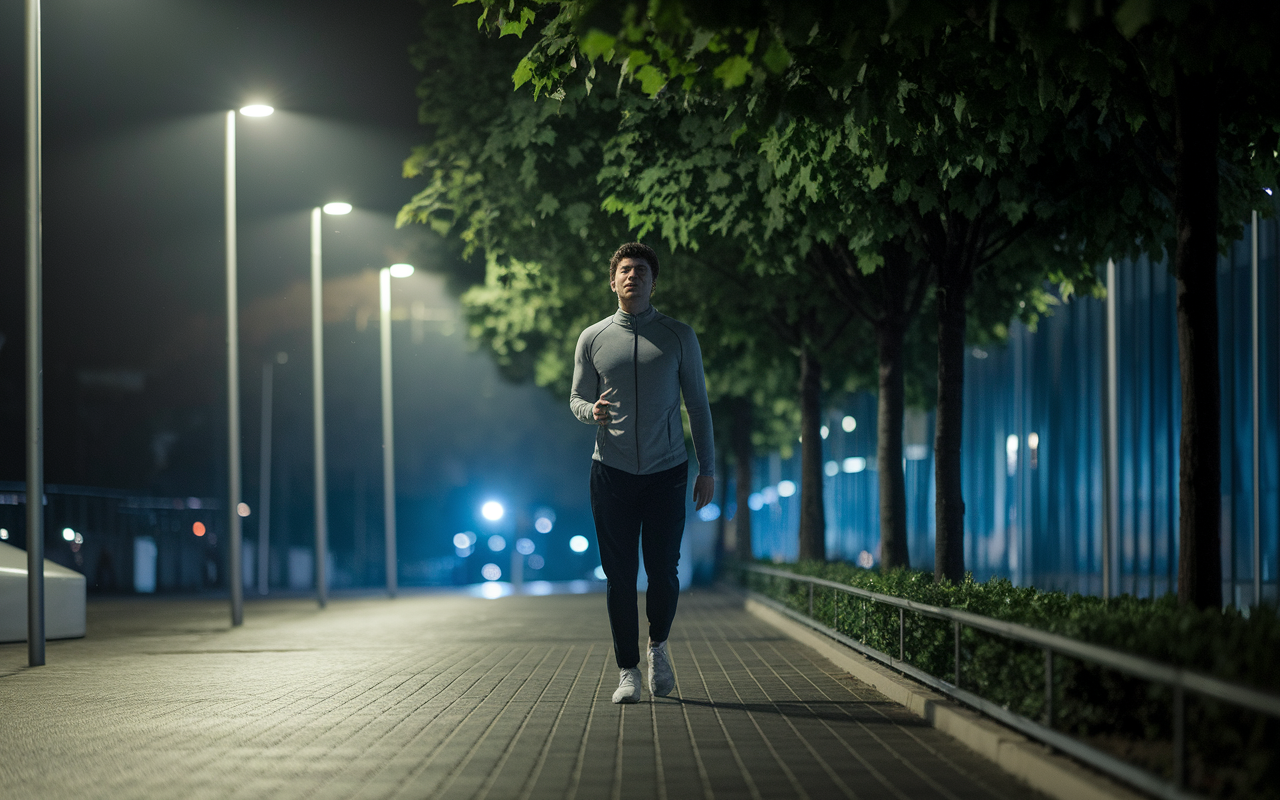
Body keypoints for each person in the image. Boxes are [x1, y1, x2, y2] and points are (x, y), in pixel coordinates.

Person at [569, 242, 715, 704]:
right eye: (625, 270)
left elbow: (698, 405)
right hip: (609, 470)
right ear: (613, 281)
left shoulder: (678, 336)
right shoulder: (592, 337)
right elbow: (575, 398)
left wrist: (707, 468)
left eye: (642, 271)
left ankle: (659, 647)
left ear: (654, 281)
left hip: (667, 469)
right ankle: (627, 671)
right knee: (618, 574)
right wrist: (590, 410)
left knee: (663, 571)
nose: (633, 276)